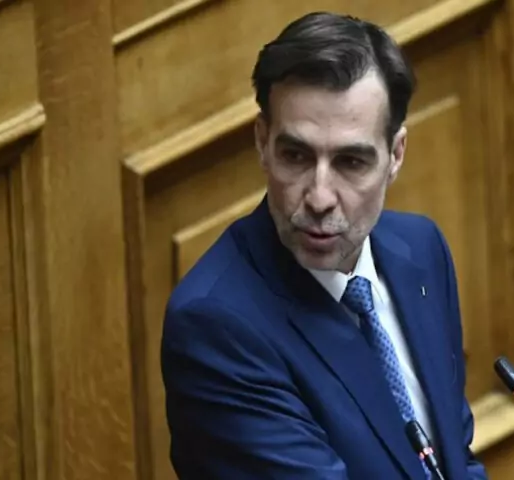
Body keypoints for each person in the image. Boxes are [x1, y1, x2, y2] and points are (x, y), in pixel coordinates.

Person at [161, 11, 488, 480]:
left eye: (351, 162)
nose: (318, 198)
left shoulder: (421, 250)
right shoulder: (216, 326)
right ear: (262, 143)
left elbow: (454, 460)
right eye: (295, 156)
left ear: (395, 155)